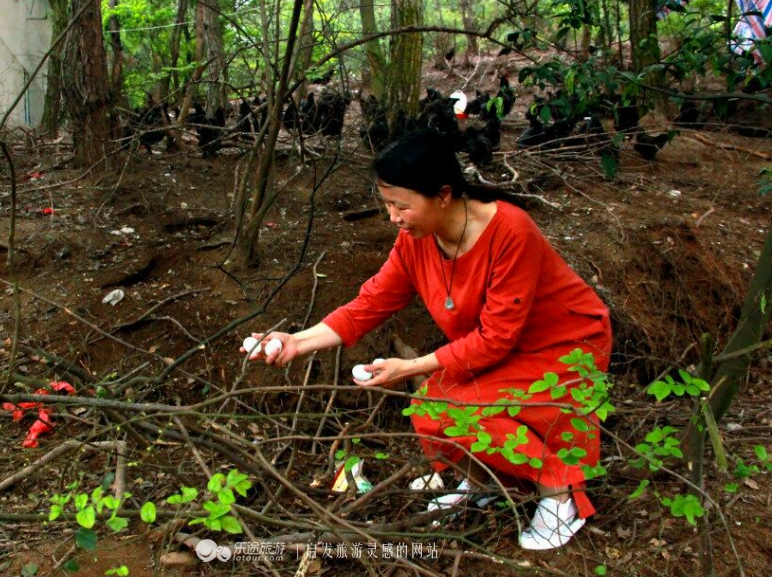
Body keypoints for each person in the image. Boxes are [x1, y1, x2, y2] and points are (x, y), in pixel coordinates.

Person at [243, 128, 612, 550]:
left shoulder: (510, 231)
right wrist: (296, 341)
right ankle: (488, 485)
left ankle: (558, 494)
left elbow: (496, 338)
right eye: (387, 206)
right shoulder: (415, 241)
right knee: (432, 410)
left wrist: (413, 367)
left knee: (462, 407)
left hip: (564, 341)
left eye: (402, 205)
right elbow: (370, 303)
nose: (394, 218)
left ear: (442, 194)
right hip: (499, 342)